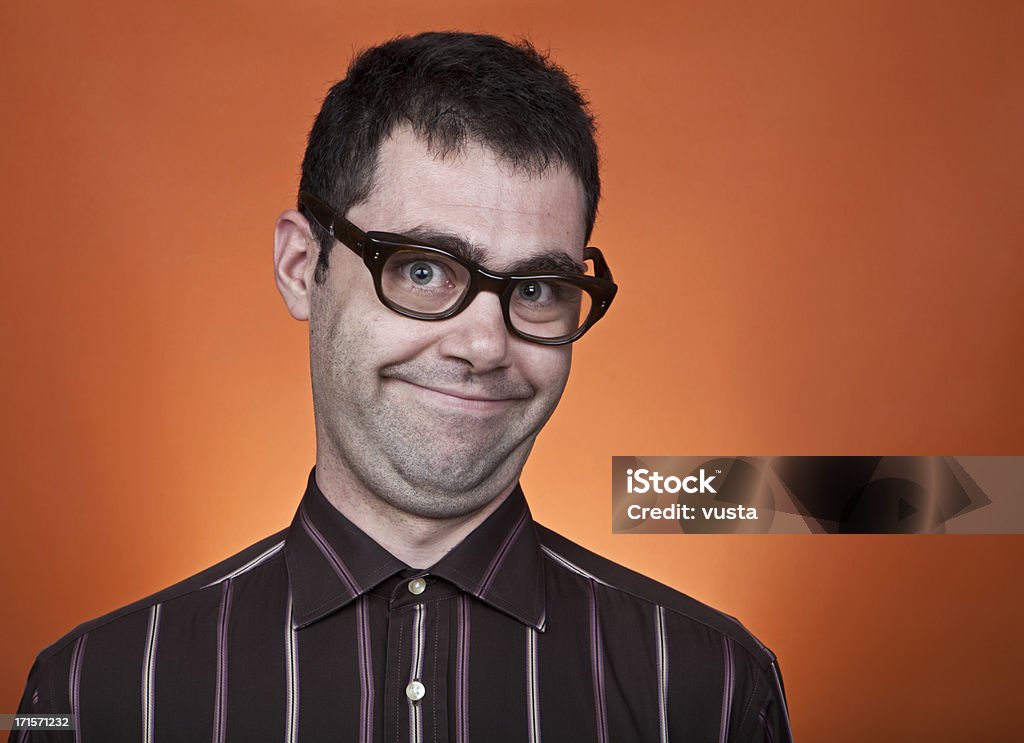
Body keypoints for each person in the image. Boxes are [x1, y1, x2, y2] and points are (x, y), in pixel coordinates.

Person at [11, 32, 793, 742]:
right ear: (300, 268)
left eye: (538, 288)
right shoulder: (90, 695)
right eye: (422, 269)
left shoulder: (714, 691)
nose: (487, 344)